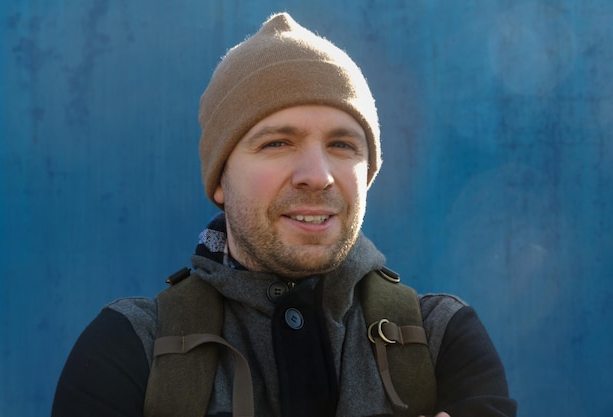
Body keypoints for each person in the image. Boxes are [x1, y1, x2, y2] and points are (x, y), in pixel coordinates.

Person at [51, 12, 517, 417]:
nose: (317, 176)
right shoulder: (128, 350)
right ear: (219, 178)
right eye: (277, 143)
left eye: (342, 145)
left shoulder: (443, 340)